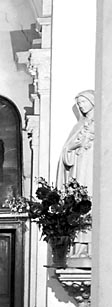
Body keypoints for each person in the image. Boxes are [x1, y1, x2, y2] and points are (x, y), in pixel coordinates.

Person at [57, 90, 94, 258]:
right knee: (80, 205)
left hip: (95, 172)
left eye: (83, 102)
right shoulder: (79, 126)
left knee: (94, 205)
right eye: (79, 104)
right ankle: (79, 248)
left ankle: (94, 247)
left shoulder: (104, 123)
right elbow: (67, 154)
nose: (81, 106)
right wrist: (72, 147)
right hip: (80, 171)